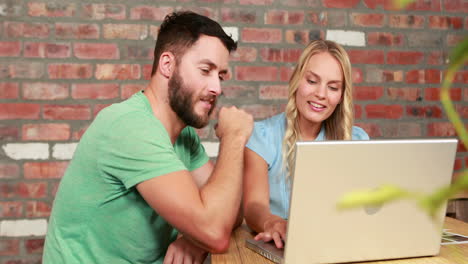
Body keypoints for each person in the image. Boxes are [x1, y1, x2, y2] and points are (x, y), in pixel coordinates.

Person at [43, 11, 253, 264]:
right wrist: (235, 135)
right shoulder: (131, 126)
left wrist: (194, 240)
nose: (217, 88)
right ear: (167, 65)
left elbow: (230, 213)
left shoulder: (184, 135)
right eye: (205, 70)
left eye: (220, 76)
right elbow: (215, 231)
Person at [243, 39, 369, 249]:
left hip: (338, 248)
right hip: (280, 246)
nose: (320, 94)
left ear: (341, 96)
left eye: (333, 87)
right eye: (312, 81)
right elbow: (253, 206)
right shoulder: (262, 136)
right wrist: (272, 223)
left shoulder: (357, 140)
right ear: (296, 81)